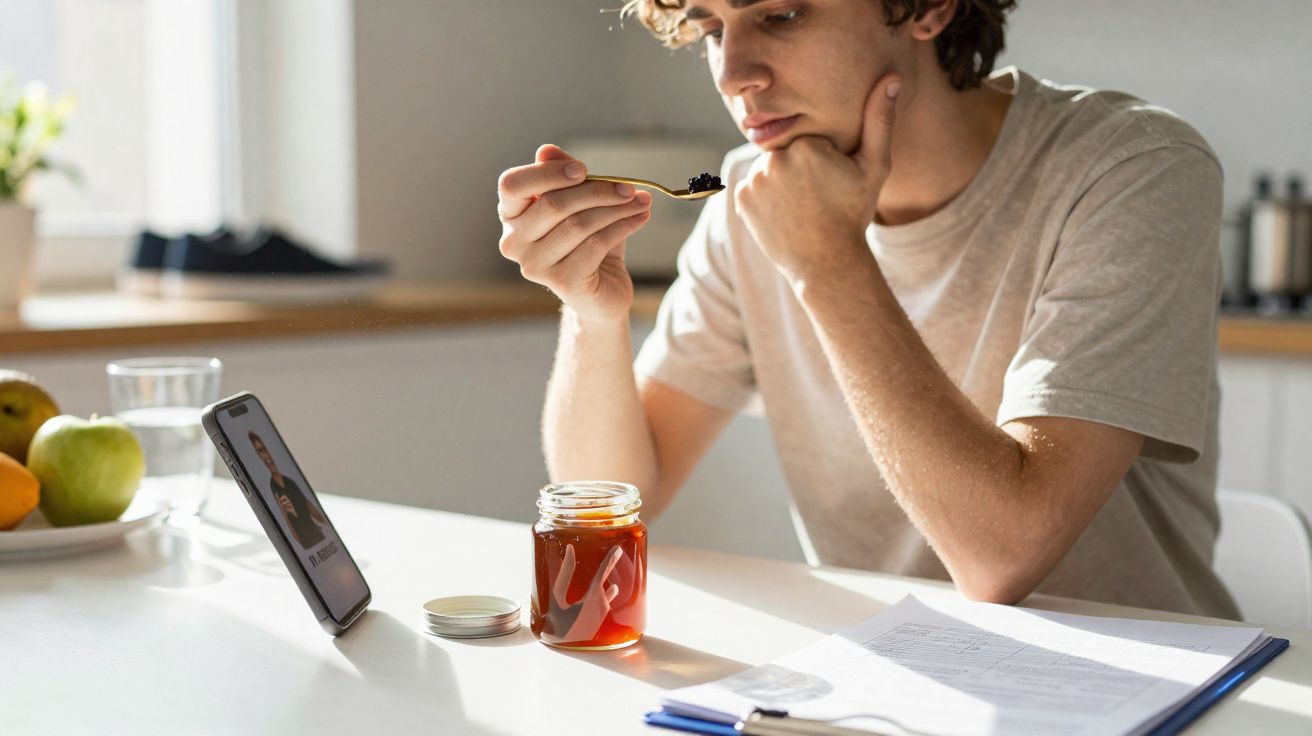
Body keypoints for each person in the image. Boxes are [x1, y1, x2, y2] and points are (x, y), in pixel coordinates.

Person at [495, 0, 1240, 618]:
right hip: (896, 681)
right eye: (713, 28)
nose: (733, 75)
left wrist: (827, 263)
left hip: (1149, 690)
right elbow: (620, 495)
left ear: (930, 8)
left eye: (781, 14)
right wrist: (593, 313)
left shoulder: (1133, 168)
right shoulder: (747, 199)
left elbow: (1002, 557)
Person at [249, 431, 327, 550]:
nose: (265, 454)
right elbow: (288, 523)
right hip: (308, 543)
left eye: (264, 449)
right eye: (260, 451)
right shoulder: (274, 488)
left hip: (319, 536)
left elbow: (311, 508)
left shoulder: (289, 482)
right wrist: (302, 549)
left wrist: (329, 528)